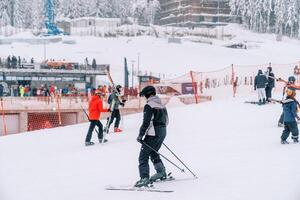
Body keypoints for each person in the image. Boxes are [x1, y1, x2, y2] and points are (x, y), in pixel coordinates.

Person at [135, 86, 169, 187]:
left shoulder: (149, 105)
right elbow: (167, 120)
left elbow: (146, 122)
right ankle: (161, 172)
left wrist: (141, 135)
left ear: (147, 94)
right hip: (162, 132)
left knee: (143, 156)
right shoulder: (162, 105)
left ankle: (144, 178)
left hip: (153, 133)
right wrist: (160, 131)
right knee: (154, 152)